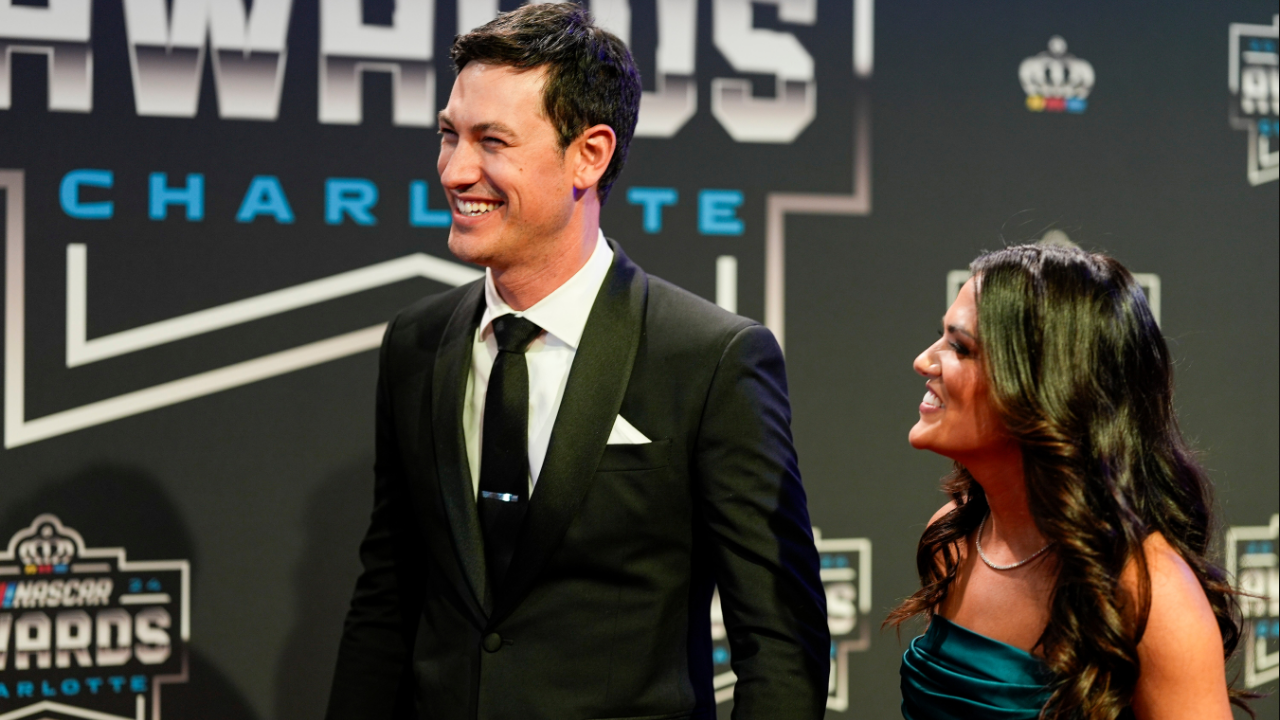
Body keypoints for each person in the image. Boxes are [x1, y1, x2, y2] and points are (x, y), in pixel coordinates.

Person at [325, 5, 830, 719]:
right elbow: (388, 600)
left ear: (588, 155)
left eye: (491, 141)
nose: (454, 169)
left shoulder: (708, 357)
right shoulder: (416, 343)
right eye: (448, 135)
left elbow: (780, 643)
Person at [890, 243, 1251, 720]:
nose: (923, 361)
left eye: (960, 348)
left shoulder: (1148, 592)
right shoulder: (953, 539)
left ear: (1045, 385)